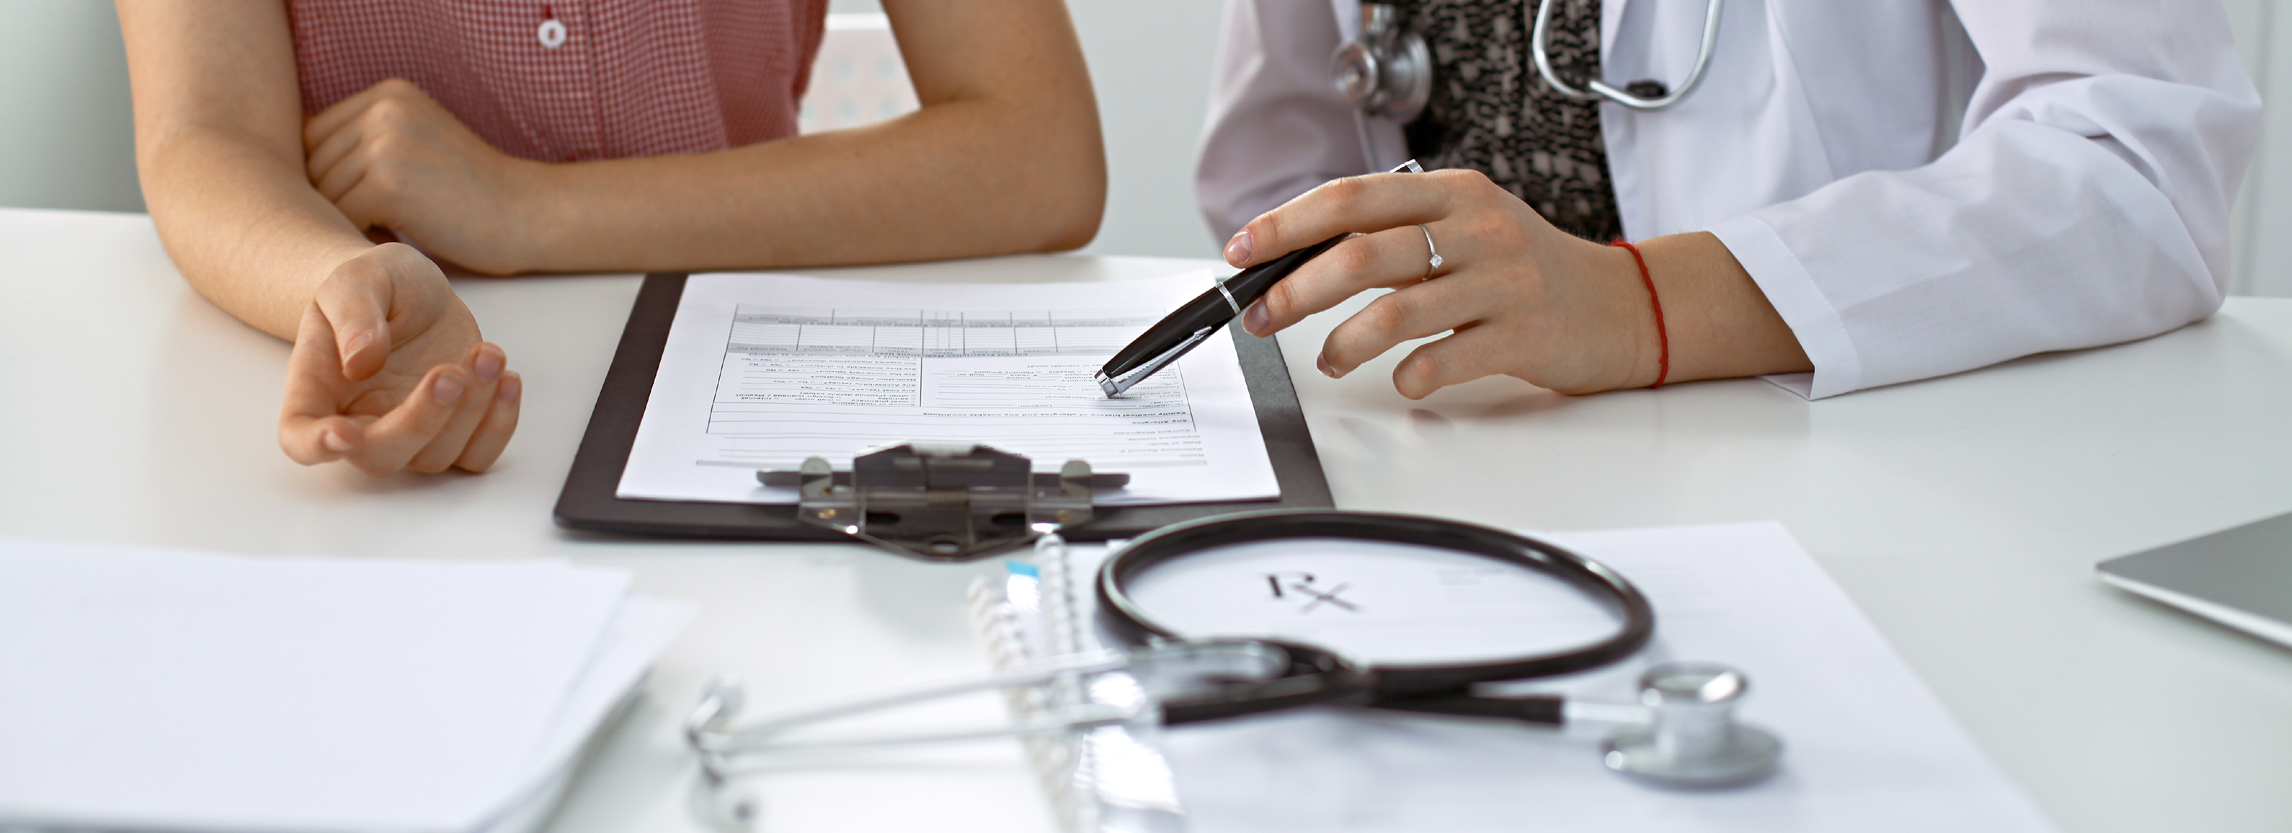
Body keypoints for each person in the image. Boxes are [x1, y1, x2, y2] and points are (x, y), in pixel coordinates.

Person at [119, 0, 1105, 476]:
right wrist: (342, 284)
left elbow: (1039, 154)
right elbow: (201, 135)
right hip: (398, 387)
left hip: (737, 396)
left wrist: (523, 209)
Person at [1195, 0, 2259, 400]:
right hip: (1454, 449)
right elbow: (1280, 165)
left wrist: (1642, 304)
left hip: (1837, 476)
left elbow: (2141, 162)